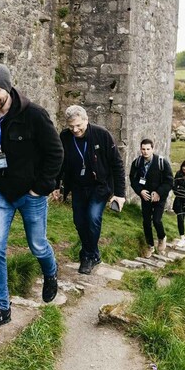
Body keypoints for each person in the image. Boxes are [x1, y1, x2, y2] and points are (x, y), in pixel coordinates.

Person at [0, 62, 64, 335]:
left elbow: (56, 153)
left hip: (31, 195)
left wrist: (41, 188)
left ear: (8, 87)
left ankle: (50, 272)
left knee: (37, 246)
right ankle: (1, 309)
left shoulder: (34, 114)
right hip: (1, 192)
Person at [54, 105, 126, 274]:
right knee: (79, 222)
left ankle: (86, 256)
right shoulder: (65, 136)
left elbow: (117, 165)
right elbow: (60, 163)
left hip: (99, 187)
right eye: (71, 126)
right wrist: (56, 186)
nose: (75, 130)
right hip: (78, 186)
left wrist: (120, 194)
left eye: (78, 125)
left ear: (86, 120)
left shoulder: (102, 135)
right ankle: (94, 253)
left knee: (93, 218)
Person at [129, 139, 173, 257]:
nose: (145, 152)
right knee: (146, 222)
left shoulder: (161, 162)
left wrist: (158, 193)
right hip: (145, 197)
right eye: (143, 149)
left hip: (159, 197)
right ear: (140, 149)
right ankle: (150, 246)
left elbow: (169, 181)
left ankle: (162, 237)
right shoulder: (137, 163)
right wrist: (140, 191)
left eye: (148, 149)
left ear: (153, 149)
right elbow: (133, 180)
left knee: (157, 220)